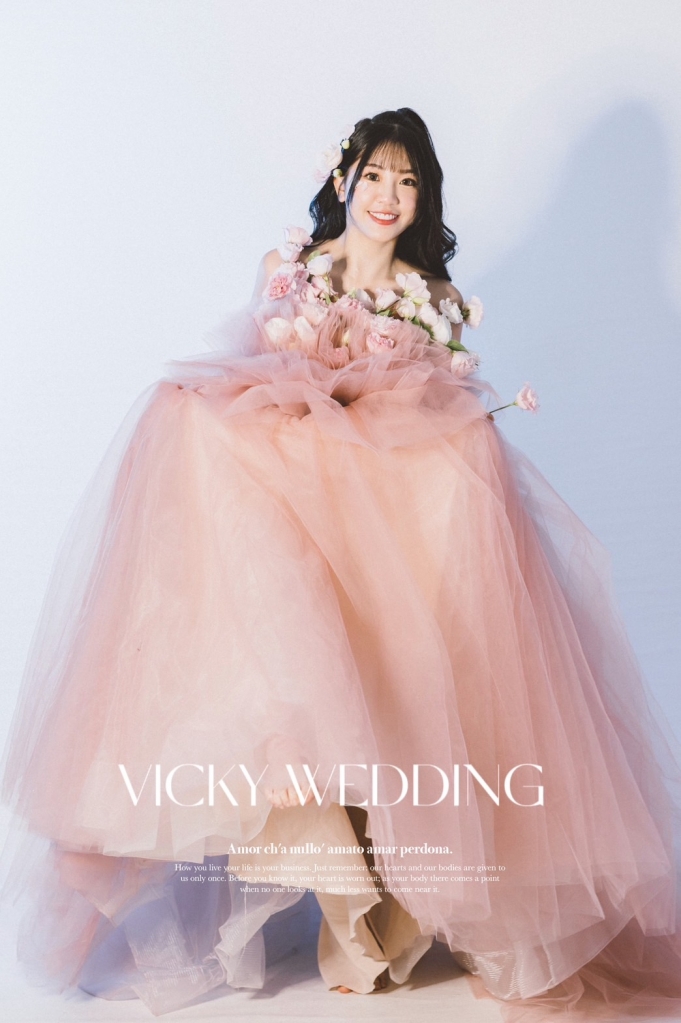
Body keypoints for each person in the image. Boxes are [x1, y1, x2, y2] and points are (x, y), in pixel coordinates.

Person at [2, 107, 681, 1022]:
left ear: (423, 197)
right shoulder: (296, 269)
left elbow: (435, 403)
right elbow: (251, 368)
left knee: (457, 483)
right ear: (342, 183)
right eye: (374, 177)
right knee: (200, 440)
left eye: (407, 181)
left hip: (380, 498)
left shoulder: (428, 294)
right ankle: (324, 853)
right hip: (302, 484)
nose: (388, 196)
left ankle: (396, 903)